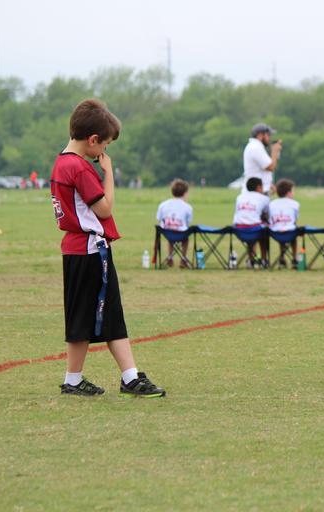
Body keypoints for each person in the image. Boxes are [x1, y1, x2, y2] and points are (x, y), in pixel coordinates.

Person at [50, 99, 165, 397]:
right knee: (110, 312)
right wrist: (109, 173)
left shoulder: (61, 162)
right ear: (92, 140)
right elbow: (104, 208)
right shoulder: (79, 167)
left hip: (75, 249)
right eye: (105, 145)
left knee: (82, 315)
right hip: (90, 250)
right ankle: (128, 378)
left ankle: (76, 379)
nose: (105, 151)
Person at [233, 177, 270, 267]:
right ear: (258, 187)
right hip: (254, 231)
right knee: (264, 231)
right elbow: (267, 215)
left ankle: (251, 259)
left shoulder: (239, 197)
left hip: (238, 231)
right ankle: (264, 260)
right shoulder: (264, 198)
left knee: (252, 227)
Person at [156, 178, 193, 267]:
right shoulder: (188, 207)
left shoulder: (163, 205)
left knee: (171, 238)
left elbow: (159, 218)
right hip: (182, 233)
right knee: (185, 238)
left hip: (167, 233)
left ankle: (170, 258)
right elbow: (187, 223)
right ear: (185, 193)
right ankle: (183, 259)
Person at [268, 178, 300, 268]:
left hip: (275, 233)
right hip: (290, 233)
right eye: (292, 191)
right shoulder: (295, 204)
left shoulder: (271, 204)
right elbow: (295, 219)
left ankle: (282, 258)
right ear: (289, 193)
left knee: (281, 229)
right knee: (293, 231)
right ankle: (294, 258)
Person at [243, 123, 282, 195]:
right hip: (255, 194)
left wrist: (268, 185)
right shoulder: (255, 147)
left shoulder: (255, 146)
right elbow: (271, 167)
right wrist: (275, 152)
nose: (270, 138)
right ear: (260, 135)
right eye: (268, 135)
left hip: (256, 192)